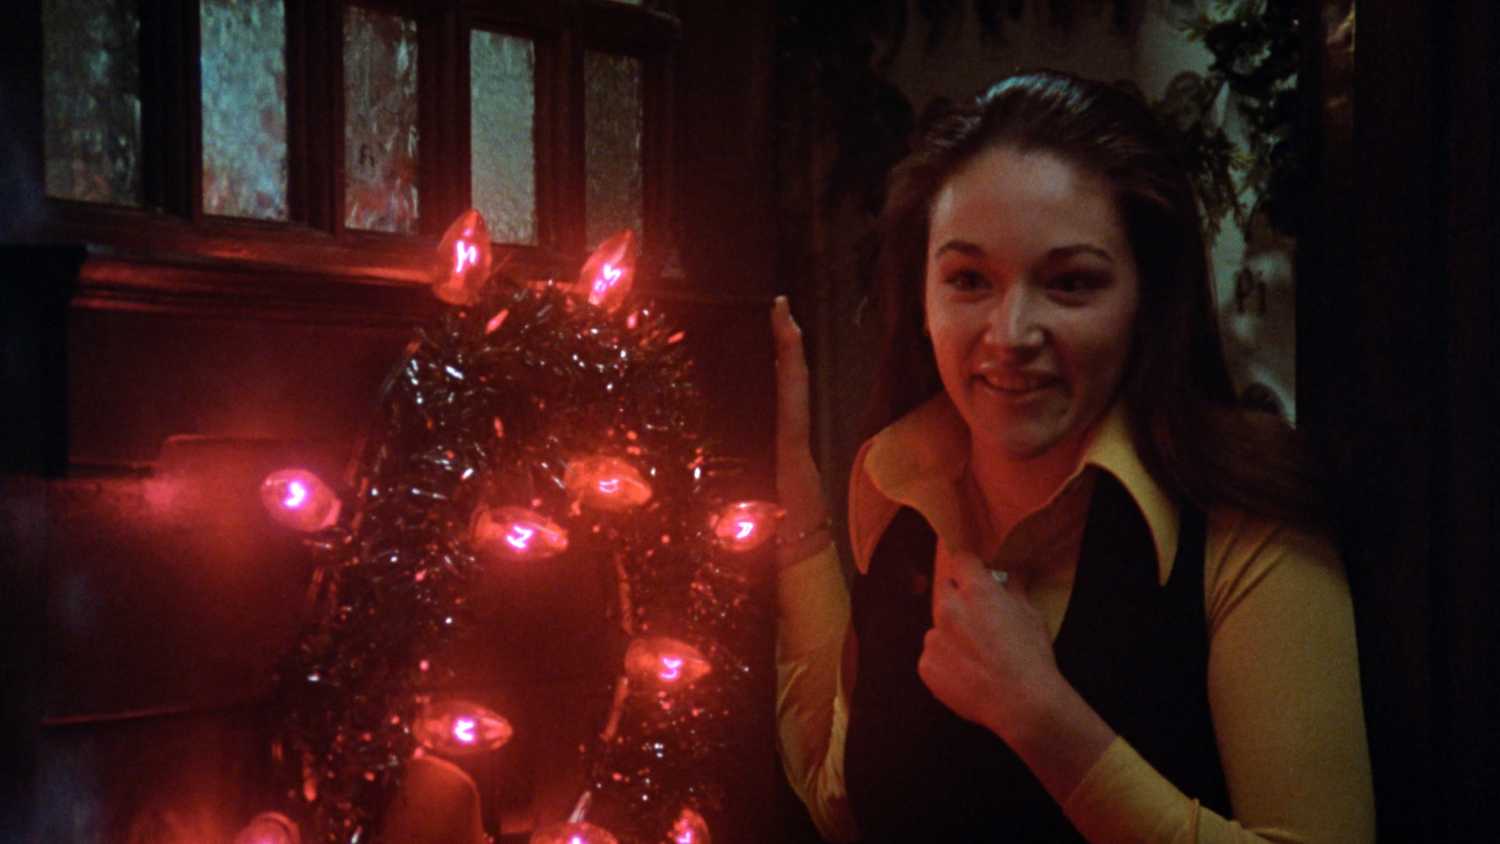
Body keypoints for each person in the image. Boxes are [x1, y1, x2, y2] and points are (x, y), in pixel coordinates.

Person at [769, 70, 1374, 843]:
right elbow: (840, 798)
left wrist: (1043, 718)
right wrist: (792, 484)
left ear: (1147, 301)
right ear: (920, 296)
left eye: (1071, 283)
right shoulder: (896, 487)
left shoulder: (1244, 526)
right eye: (968, 280)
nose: (1011, 332)